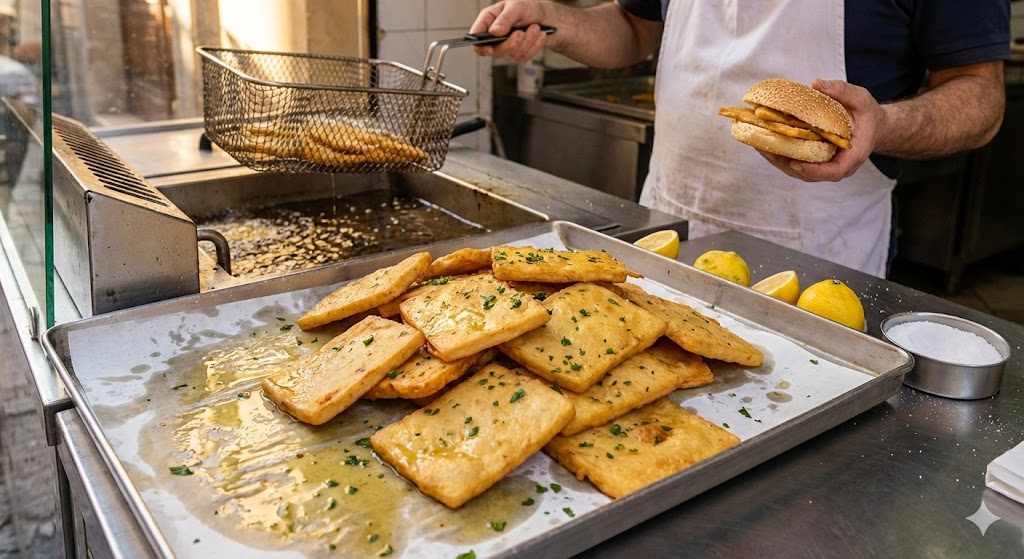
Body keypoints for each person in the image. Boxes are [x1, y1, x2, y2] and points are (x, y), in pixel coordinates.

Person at [469, 1, 1010, 277]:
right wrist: (550, 20)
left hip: (818, 252)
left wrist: (883, 125)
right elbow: (635, 29)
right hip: (672, 222)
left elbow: (980, 95)